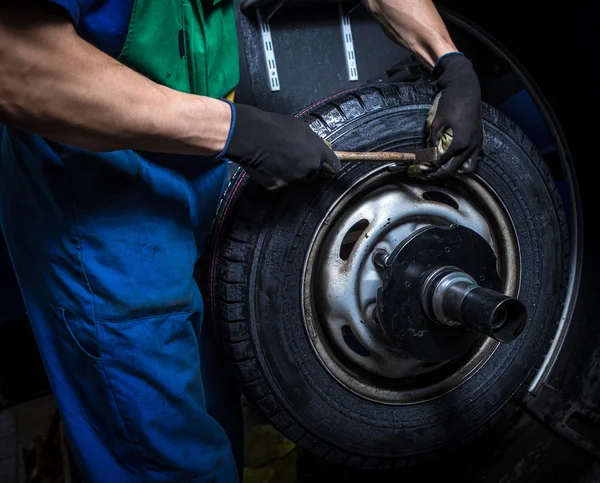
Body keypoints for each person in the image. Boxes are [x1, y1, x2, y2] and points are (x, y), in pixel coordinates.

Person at [0, 0, 483, 481]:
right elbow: (20, 67)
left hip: (201, 166)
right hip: (98, 197)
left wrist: (448, 59)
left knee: (216, 415)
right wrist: (235, 131)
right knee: (164, 454)